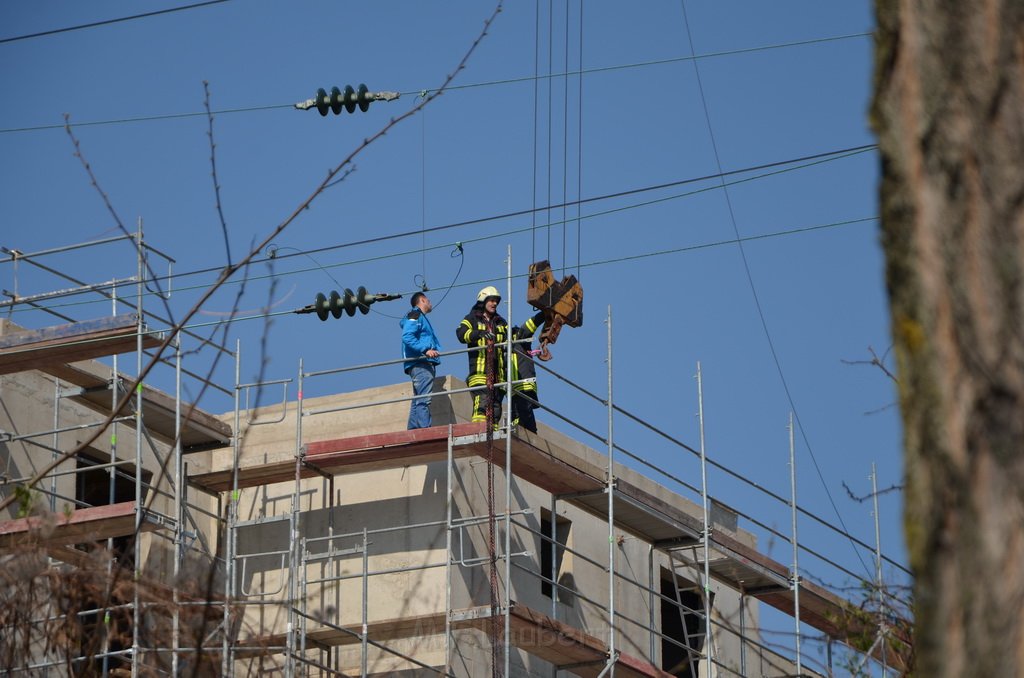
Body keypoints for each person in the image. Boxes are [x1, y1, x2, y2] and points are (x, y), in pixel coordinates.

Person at [456, 286, 508, 427]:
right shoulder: (472, 318)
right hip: (479, 373)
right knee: (482, 403)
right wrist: (479, 334)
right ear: (482, 301)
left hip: (498, 375)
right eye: (491, 300)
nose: (494, 303)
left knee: (496, 408)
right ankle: (479, 432)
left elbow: (511, 340)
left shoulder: (501, 322)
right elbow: (461, 334)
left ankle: (492, 439)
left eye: (496, 301)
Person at [401, 292, 441, 429]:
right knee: (423, 399)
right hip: (421, 363)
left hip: (419, 363)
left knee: (418, 399)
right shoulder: (415, 315)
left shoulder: (417, 316)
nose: (430, 302)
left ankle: (413, 431)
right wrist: (425, 350)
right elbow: (407, 336)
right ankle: (425, 431)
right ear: (422, 300)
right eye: (428, 300)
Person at [510, 310, 546, 433]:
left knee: (524, 413)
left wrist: (544, 314)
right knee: (517, 414)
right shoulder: (504, 349)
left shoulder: (519, 338)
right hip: (514, 389)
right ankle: (526, 434)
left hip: (523, 384)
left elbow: (530, 325)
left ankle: (529, 435)